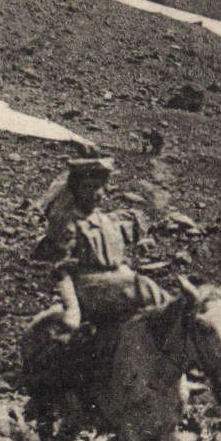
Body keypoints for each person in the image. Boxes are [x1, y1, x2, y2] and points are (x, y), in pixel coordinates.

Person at [29, 137, 168, 336]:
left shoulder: (108, 221)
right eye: (87, 187)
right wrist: (72, 309)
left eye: (98, 187)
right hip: (87, 288)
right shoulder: (68, 224)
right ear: (75, 191)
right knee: (144, 287)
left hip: (117, 285)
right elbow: (61, 270)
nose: (96, 193)